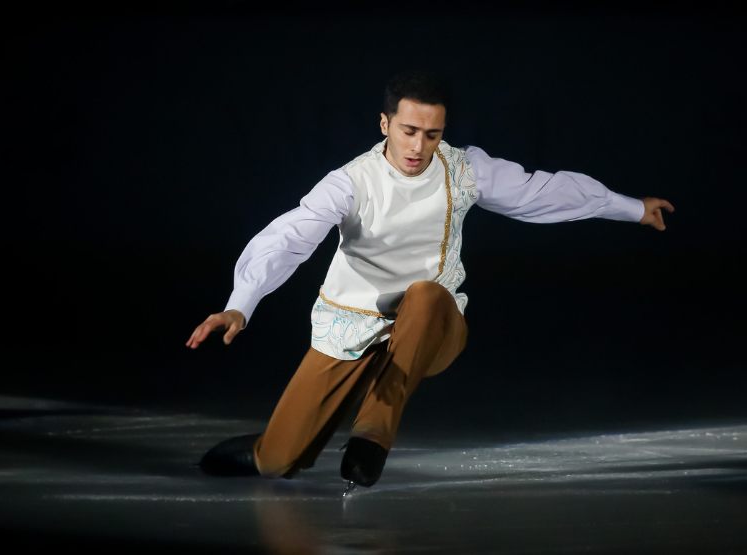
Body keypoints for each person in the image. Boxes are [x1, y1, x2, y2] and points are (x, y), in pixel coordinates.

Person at [187, 70, 674, 489]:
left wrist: (631, 208)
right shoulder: (350, 183)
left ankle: (371, 438)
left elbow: (542, 192)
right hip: (350, 322)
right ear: (385, 124)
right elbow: (288, 237)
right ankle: (265, 450)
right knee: (278, 461)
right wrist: (240, 303)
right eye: (409, 131)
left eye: (432, 134)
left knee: (424, 295)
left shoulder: (464, 169)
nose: (419, 146)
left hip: (433, 325)